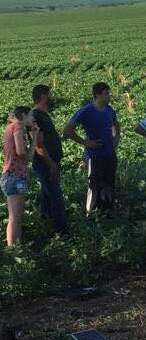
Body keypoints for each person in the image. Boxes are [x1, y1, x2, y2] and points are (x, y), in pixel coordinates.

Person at [63, 82, 121, 212]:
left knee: (109, 184)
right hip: (94, 156)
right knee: (94, 185)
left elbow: (116, 125)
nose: (109, 96)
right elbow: (67, 130)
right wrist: (86, 143)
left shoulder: (109, 110)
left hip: (109, 154)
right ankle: (92, 213)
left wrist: (116, 139)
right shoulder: (86, 111)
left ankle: (107, 212)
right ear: (97, 95)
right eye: (107, 93)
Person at [32, 85, 68, 235]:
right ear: (43, 96)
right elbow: (38, 145)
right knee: (56, 198)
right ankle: (63, 234)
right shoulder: (36, 116)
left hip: (50, 163)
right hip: (45, 164)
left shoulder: (43, 115)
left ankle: (44, 229)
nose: (53, 97)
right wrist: (51, 163)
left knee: (47, 198)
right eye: (50, 94)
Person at [1, 106, 39, 245]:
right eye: (30, 115)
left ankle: (18, 248)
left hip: (14, 176)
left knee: (17, 216)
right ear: (23, 115)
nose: (33, 118)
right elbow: (22, 153)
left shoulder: (12, 127)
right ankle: (13, 252)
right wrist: (34, 138)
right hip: (14, 176)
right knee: (15, 217)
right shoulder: (17, 126)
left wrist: (32, 138)